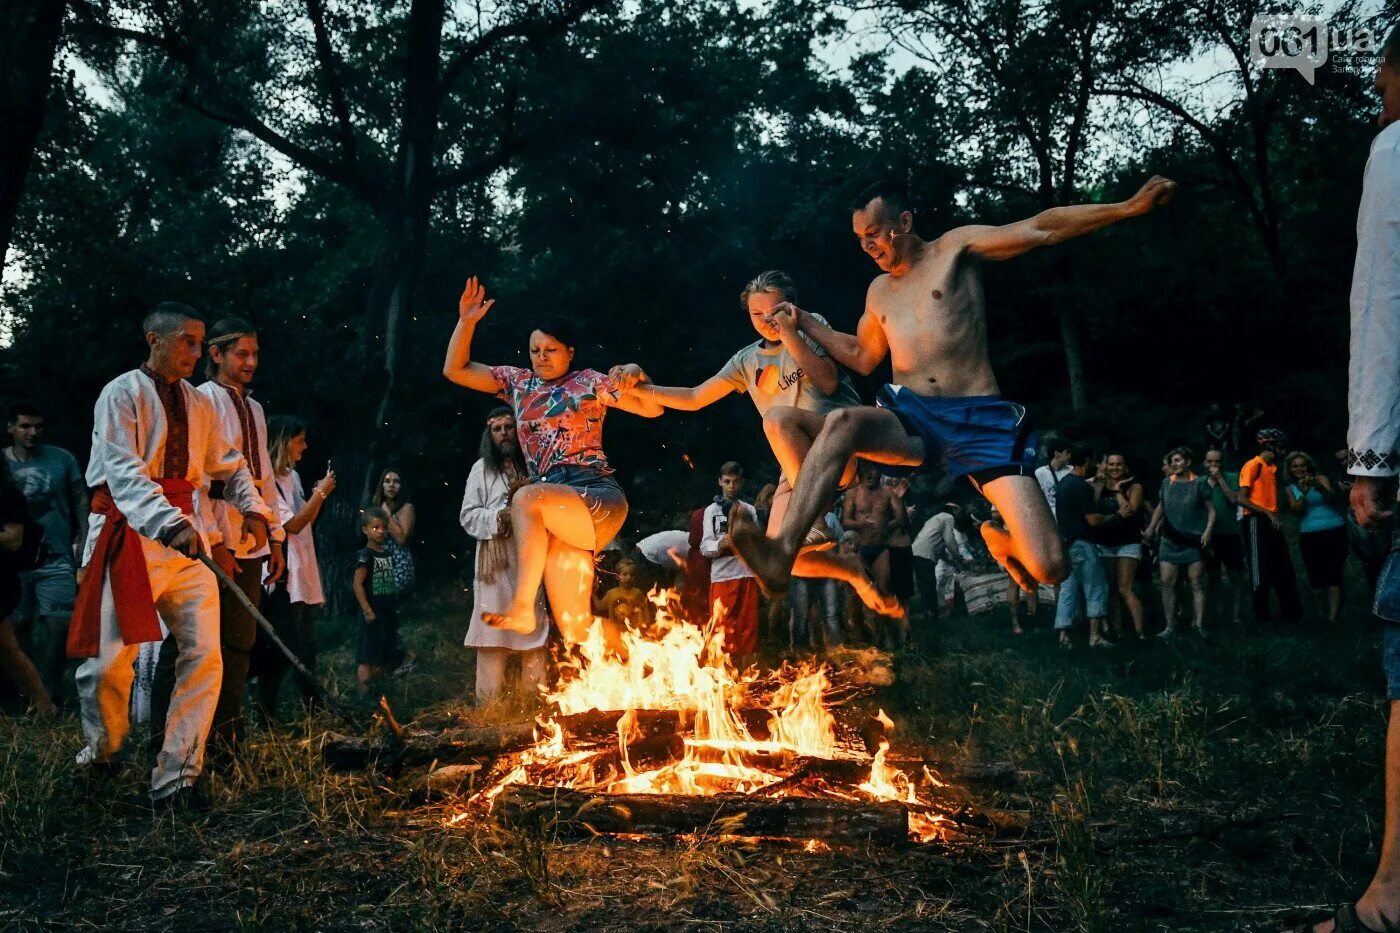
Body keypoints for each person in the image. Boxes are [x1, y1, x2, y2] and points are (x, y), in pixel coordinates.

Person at [723, 175, 1176, 599]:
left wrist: (1126, 207)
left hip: (978, 421)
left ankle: (1000, 540)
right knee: (842, 421)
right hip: (914, 418)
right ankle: (782, 550)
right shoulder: (878, 292)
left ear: (905, 221)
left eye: (878, 232)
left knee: (1051, 568)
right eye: (862, 238)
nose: (870, 245)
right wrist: (801, 323)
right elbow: (862, 356)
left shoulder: (954, 250)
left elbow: (1040, 228)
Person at [72, 303, 274, 808]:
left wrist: (254, 510)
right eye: (185, 340)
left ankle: (178, 777)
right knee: (106, 667)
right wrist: (168, 523)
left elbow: (227, 462)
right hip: (129, 537)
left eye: (198, 342)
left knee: (204, 656)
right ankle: (103, 755)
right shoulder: (121, 394)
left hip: (188, 542)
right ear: (153, 339)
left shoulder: (198, 403)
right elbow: (122, 472)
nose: (194, 351)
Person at [611, 269, 901, 619]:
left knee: (777, 418)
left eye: (775, 310)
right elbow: (693, 396)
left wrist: (791, 330)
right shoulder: (746, 361)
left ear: (791, 306)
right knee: (784, 560)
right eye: (756, 314)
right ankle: (853, 574)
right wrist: (640, 385)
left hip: (837, 443)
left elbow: (826, 383)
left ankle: (816, 518)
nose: (767, 320)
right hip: (795, 468)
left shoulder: (810, 327)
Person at [1299, 27, 1400, 933]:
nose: (1378, 103)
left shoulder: (1398, 148)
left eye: (1383, 85)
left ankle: (1391, 898)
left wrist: (1369, 458)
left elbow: (1382, 300)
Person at [441, 276, 661, 644]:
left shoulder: (590, 383)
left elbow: (652, 409)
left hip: (595, 496)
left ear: (569, 351)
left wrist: (638, 373)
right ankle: (645, 655)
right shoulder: (518, 384)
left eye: (551, 350)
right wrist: (466, 322)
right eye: (535, 351)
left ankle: (523, 606)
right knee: (577, 628)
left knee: (525, 496)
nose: (541, 358)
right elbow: (455, 370)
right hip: (556, 512)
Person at [151, 317, 286, 762]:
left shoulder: (256, 409)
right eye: (241, 354)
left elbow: (259, 475)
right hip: (210, 539)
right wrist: (219, 542)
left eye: (256, 354)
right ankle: (167, 741)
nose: (251, 363)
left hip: (253, 540)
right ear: (216, 355)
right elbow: (200, 479)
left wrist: (276, 537)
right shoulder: (203, 400)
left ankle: (227, 737)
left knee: (239, 640)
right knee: (195, 639)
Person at [459, 407, 548, 705]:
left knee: (532, 626)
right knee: (490, 631)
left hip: (528, 557)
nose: (503, 434)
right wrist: (502, 517)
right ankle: (488, 707)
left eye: (509, 428)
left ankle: (533, 705)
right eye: (497, 429)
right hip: (494, 561)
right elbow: (468, 516)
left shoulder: (533, 467)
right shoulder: (480, 470)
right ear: (489, 434)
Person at [4, 400, 86, 701]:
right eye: (25, 426)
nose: (32, 432)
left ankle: (51, 689)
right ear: (11, 428)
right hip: (12, 561)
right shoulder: (3, 464)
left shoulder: (61, 459)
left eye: (38, 426)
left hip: (56, 554)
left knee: (60, 625)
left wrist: (83, 537)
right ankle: (28, 691)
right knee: (16, 625)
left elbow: (79, 499)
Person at [257, 415, 334, 718]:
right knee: (283, 647)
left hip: (302, 569)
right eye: (299, 440)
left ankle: (312, 713)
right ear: (283, 442)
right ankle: (270, 714)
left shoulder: (293, 476)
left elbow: (306, 520)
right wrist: (321, 493)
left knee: (306, 645)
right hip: (283, 572)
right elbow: (290, 525)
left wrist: (317, 497)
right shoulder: (267, 480)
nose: (305, 446)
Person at [0, 456, 58, 716]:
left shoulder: (7, 494)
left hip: (2, 579)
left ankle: (44, 704)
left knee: (8, 649)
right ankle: (42, 704)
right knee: (7, 648)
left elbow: (13, 539)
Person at [1144, 447, 1215, 636]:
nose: (1174, 464)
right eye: (1172, 461)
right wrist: (1152, 527)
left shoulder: (1200, 483)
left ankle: (1198, 624)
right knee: (1167, 581)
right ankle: (1170, 625)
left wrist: (1207, 532)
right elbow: (1161, 507)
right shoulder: (1167, 483)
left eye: (1177, 460)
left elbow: (1211, 510)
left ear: (1188, 462)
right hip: (1170, 540)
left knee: (1195, 581)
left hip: (1193, 540)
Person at [1239, 429, 1304, 625]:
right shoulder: (1252, 465)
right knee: (1260, 568)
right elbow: (1240, 498)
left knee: (1283, 565)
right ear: (1269, 445)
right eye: (1280, 445)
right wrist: (1266, 512)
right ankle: (1261, 617)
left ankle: (1292, 615)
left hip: (1272, 522)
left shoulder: (1272, 468)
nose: (1283, 449)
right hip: (1254, 521)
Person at [701, 462, 762, 663]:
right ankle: (723, 673)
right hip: (722, 576)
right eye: (727, 481)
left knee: (747, 626)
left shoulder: (749, 509)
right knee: (721, 626)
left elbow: (759, 541)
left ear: (741, 482)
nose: (731, 486)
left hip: (746, 573)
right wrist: (721, 543)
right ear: (720, 482)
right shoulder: (711, 511)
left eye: (735, 481)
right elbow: (705, 547)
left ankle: (747, 677)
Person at [1053, 444, 1111, 648]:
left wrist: (1095, 490)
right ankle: (1095, 637)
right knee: (1096, 588)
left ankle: (1063, 636)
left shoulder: (1064, 483)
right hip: (1083, 543)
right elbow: (1092, 519)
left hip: (1067, 544)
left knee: (1068, 590)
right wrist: (1115, 516)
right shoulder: (1079, 485)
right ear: (1087, 460)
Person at [1285, 451, 1349, 625]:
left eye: (1303, 465)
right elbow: (1296, 511)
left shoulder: (1321, 478)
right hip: (1309, 534)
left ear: (1309, 466)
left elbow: (1333, 499)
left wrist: (1317, 486)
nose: (1300, 469)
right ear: (1290, 469)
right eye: (1295, 466)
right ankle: (1321, 617)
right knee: (1316, 578)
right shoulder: (1290, 488)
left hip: (1334, 530)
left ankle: (1332, 619)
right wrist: (1304, 493)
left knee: (1333, 575)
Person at [1092, 453, 1147, 639]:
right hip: (1105, 543)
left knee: (1125, 588)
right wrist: (1100, 489)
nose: (1115, 468)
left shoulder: (1134, 486)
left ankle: (1140, 632)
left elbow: (1131, 510)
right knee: (1111, 588)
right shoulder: (1099, 486)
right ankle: (1118, 630)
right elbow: (1093, 509)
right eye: (1111, 464)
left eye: (1119, 465)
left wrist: (1117, 491)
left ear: (1125, 467)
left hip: (1127, 542)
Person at [352, 508, 403, 694]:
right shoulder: (365, 555)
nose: (380, 531)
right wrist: (367, 609)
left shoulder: (387, 554)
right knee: (367, 655)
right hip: (372, 614)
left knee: (384, 653)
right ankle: (363, 693)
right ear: (365, 529)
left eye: (384, 527)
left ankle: (380, 693)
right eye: (375, 527)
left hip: (387, 613)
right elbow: (357, 585)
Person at [1202, 449, 1247, 626]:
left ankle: (1236, 615)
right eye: (1210, 461)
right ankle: (1214, 615)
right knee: (1211, 577)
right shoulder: (1200, 481)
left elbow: (1234, 500)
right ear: (1204, 463)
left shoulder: (1232, 477)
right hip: (1209, 535)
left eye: (1217, 462)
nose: (1213, 465)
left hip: (1230, 533)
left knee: (1235, 575)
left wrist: (1220, 479)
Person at [911, 505, 963, 625]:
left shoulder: (935, 518)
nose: (958, 515)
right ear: (953, 510)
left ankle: (928, 613)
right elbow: (949, 540)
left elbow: (940, 544)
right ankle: (934, 615)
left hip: (916, 551)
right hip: (925, 554)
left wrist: (952, 561)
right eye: (958, 511)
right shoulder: (948, 517)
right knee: (929, 584)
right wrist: (958, 557)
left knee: (923, 585)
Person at [595, 557, 651, 629]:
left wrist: (646, 625)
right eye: (625, 574)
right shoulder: (611, 593)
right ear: (617, 576)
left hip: (634, 632)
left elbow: (645, 611)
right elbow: (600, 607)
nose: (628, 577)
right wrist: (593, 594)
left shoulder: (637, 593)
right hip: (615, 631)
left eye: (632, 575)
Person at [1035, 438, 1073, 518]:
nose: (1070, 456)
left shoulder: (1071, 470)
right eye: (1067, 452)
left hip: (1067, 515)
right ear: (1057, 454)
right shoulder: (1040, 473)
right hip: (1049, 516)